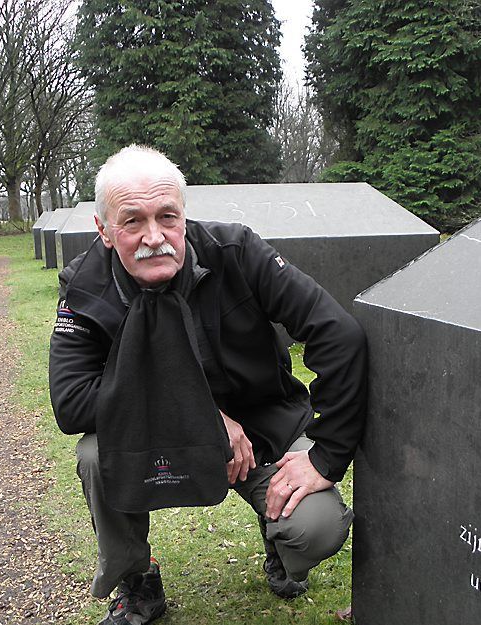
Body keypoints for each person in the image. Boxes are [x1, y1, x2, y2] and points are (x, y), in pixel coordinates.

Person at [49, 145, 366, 625]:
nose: (154, 237)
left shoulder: (237, 251)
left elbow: (337, 333)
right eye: (132, 221)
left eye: (167, 216)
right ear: (104, 230)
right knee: (94, 455)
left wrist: (326, 456)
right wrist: (208, 418)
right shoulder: (84, 286)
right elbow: (72, 404)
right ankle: (137, 579)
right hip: (159, 438)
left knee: (316, 528)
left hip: (263, 429)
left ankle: (279, 541)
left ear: (183, 215)